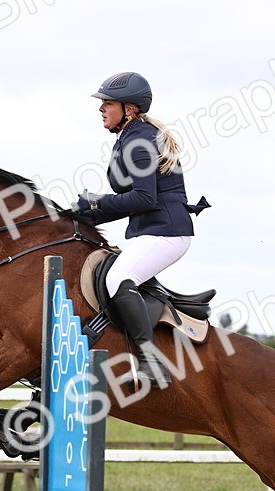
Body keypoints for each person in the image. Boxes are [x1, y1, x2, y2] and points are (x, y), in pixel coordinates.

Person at [76, 71, 208, 389]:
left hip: (167, 233)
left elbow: (144, 198)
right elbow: (134, 202)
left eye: (107, 103)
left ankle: (151, 360)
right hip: (156, 229)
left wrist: (96, 204)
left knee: (117, 278)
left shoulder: (139, 141)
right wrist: (86, 217)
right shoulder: (133, 135)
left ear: (130, 109)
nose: (101, 109)